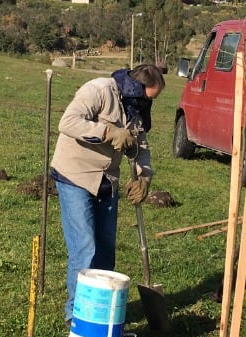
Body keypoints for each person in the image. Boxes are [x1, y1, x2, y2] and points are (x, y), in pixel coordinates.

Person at [50, 64, 165, 321]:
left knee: (105, 250)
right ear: (136, 88)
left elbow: (140, 148)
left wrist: (144, 177)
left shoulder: (137, 109)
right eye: (148, 97)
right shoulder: (99, 91)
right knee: (85, 248)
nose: (149, 103)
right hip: (75, 175)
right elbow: (67, 122)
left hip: (106, 180)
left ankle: (98, 310)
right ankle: (76, 314)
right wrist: (107, 132)